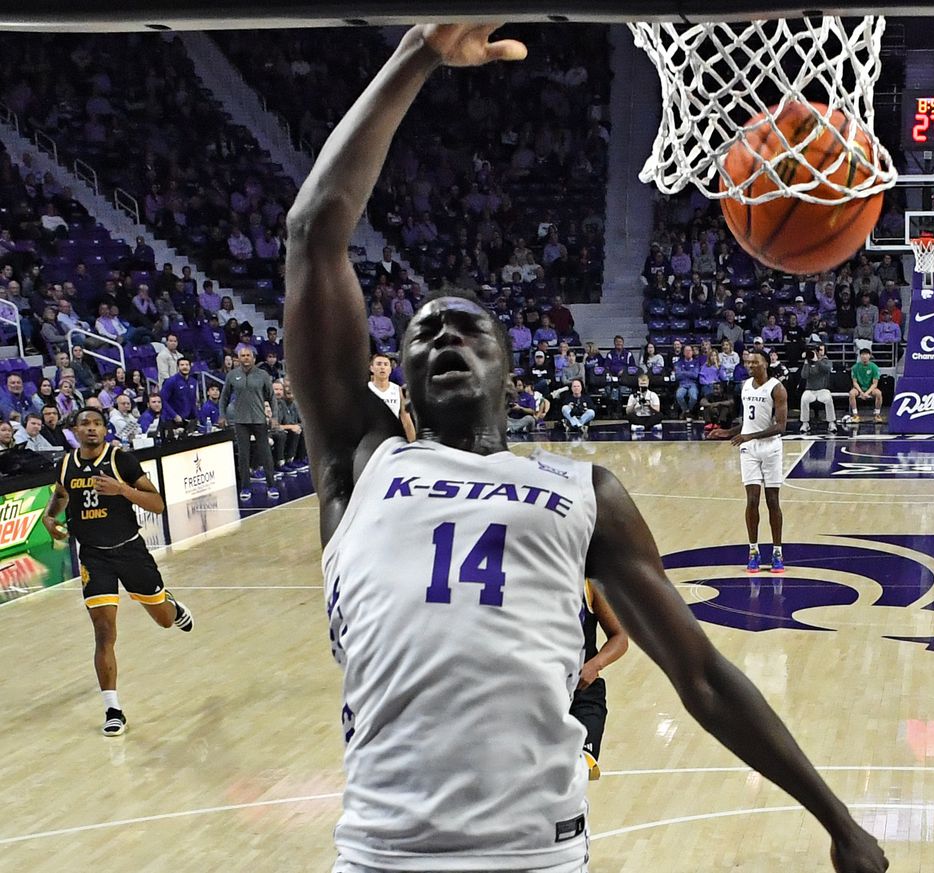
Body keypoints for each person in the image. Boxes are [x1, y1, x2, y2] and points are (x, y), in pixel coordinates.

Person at [283, 23, 887, 873]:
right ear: (401, 381)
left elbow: (702, 675)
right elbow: (314, 229)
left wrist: (837, 817)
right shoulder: (362, 460)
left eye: (469, 328)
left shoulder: (584, 492)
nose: (444, 336)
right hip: (382, 853)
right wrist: (418, 51)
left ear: (508, 366)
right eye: (423, 333)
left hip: (538, 854)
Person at [41, 407, 193, 737]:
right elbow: (61, 495)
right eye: (85, 424)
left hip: (130, 551)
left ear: (105, 429)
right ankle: (113, 708)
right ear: (75, 431)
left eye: (97, 423)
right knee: (103, 631)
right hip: (94, 557)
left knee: (164, 620)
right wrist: (49, 517)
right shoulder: (66, 464)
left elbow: (157, 504)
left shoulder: (121, 460)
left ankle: (173, 606)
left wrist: (122, 490)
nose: (92, 429)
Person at [709, 351, 789, 573]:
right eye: (747, 362)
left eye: (754, 361)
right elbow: (748, 423)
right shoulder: (745, 385)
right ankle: (753, 551)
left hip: (771, 447)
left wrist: (750, 436)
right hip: (749, 448)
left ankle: (777, 552)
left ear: (765, 363)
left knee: (772, 501)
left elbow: (781, 427)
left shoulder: (777, 387)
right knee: (752, 500)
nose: (750, 365)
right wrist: (727, 432)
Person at [570, 580, 628, 781]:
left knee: (579, 771)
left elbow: (620, 637)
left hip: (582, 694)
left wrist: (595, 665)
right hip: (540, 695)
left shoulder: (589, 583)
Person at [219, 344, 278, 501]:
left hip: (259, 419)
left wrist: (274, 417)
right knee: (243, 456)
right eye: (242, 356)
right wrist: (222, 415)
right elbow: (224, 397)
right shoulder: (232, 375)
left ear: (253, 358)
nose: (245, 358)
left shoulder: (262, 375)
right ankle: (245, 487)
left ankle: (271, 485)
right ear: (238, 358)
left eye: (248, 356)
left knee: (265, 454)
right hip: (240, 421)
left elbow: (272, 397)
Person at [366, 353, 416, 442]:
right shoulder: (366, 388)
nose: (382, 367)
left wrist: (413, 444)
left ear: (390, 369)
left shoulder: (398, 390)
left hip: (392, 438)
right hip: (371, 437)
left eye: (386, 364)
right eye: (379, 364)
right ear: (371, 368)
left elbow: (406, 421)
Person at [799, 344, 837, 435]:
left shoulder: (826, 361)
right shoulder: (808, 362)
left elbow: (827, 370)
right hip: (810, 390)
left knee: (828, 399)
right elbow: (804, 376)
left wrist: (818, 361)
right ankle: (805, 423)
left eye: (820, 350)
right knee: (804, 398)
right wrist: (806, 362)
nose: (818, 352)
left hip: (822, 389)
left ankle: (831, 422)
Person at [847, 347, 883, 423]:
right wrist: (861, 392)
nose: (864, 356)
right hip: (859, 389)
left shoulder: (874, 367)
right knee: (851, 393)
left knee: (879, 393)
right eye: (862, 355)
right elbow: (855, 382)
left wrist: (866, 393)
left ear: (869, 356)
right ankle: (855, 415)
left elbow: (875, 384)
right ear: (860, 356)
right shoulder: (855, 367)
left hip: (870, 389)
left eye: (866, 354)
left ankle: (877, 414)